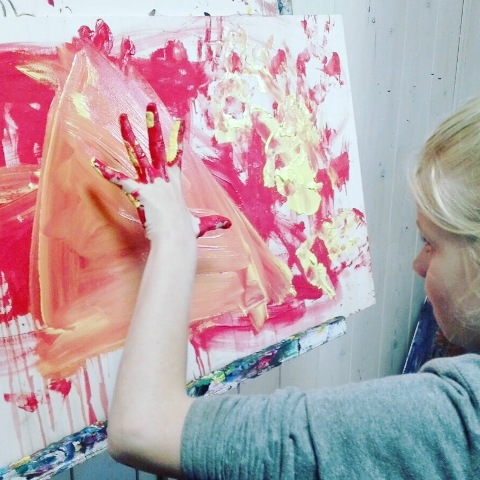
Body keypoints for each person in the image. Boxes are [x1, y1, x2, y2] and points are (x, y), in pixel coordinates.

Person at [94, 99, 480, 479]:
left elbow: (143, 427)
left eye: (431, 243)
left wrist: (174, 235)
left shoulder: (453, 421)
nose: (418, 265)